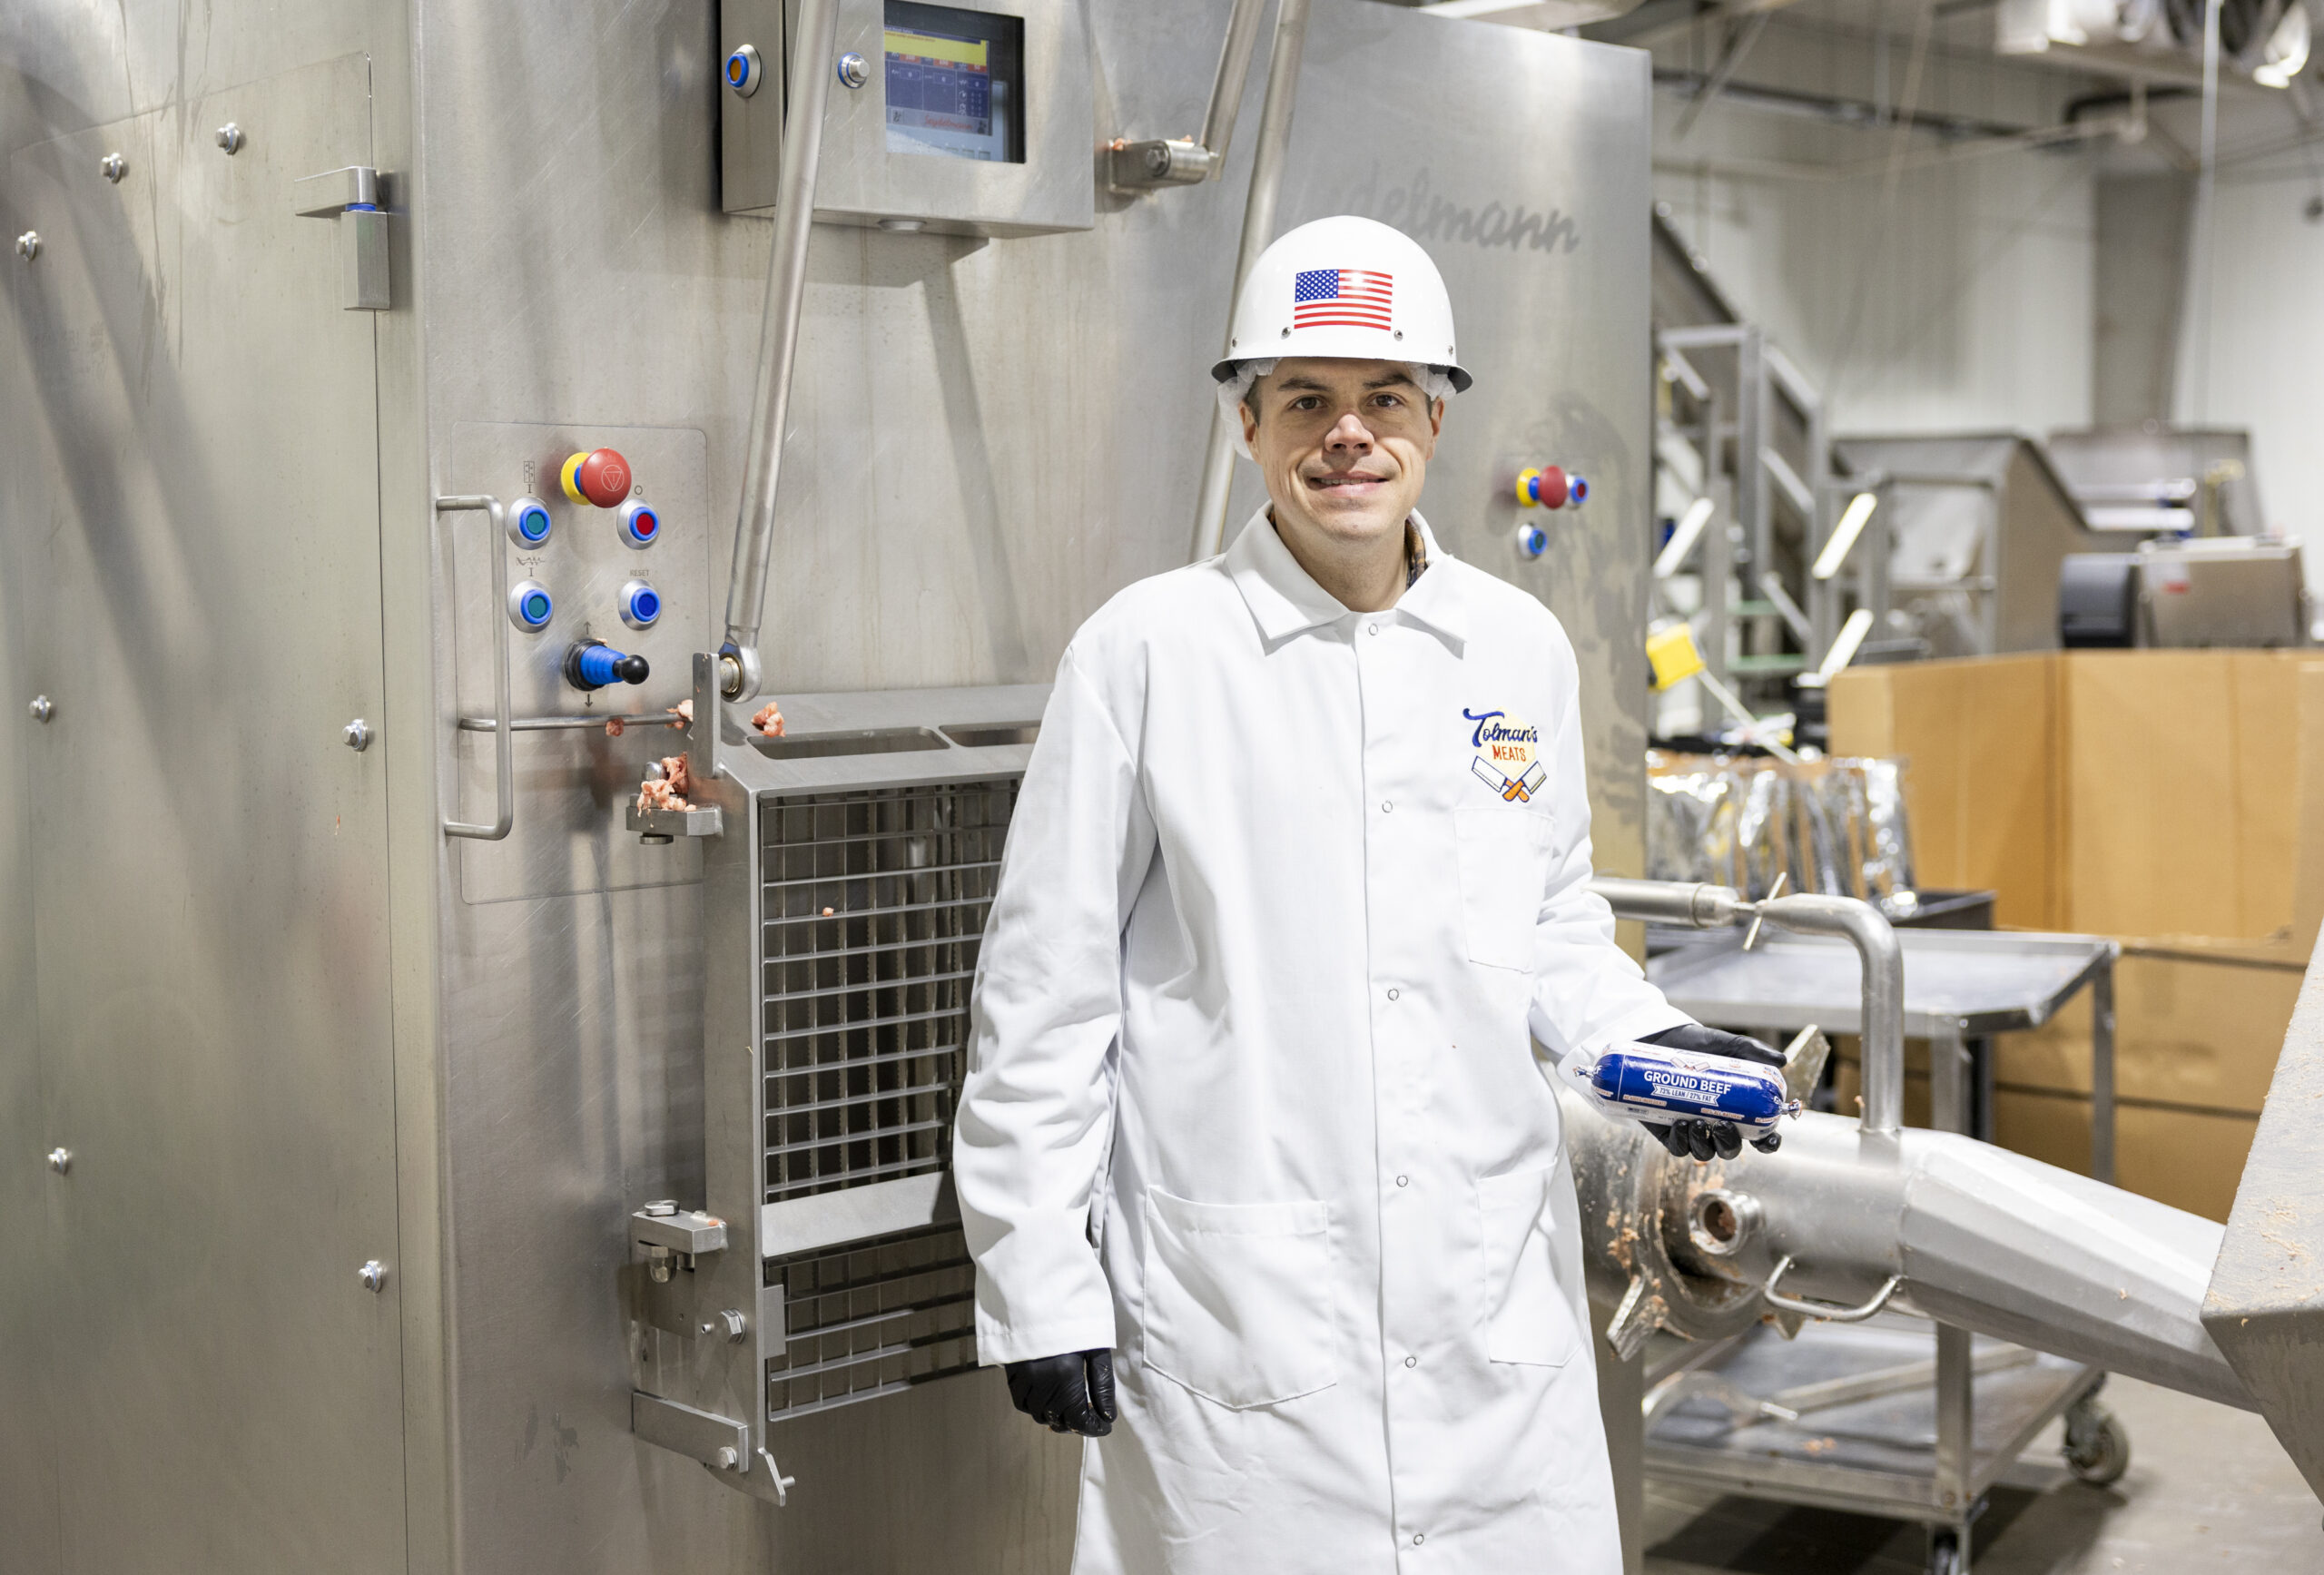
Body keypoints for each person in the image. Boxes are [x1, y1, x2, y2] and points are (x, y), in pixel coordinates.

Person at [952, 214, 1782, 1574]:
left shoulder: (1515, 648)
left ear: (1436, 423)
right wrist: (1037, 1275)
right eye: (1307, 401)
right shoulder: (1150, 651)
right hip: (1246, 1308)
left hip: (1486, 1308)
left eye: (1385, 397)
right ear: (1248, 426)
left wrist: (1650, 1046)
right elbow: (1048, 994)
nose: (1348, 434)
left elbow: (1554, 920)